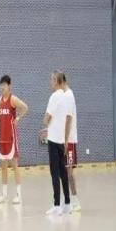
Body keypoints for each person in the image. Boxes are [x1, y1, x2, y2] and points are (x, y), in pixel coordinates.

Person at [0, 75, 28, 204]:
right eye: (1, 85)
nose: (2, 87)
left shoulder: (13, 99)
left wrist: (18, 118)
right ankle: (4, 195)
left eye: (4, 85)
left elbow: (25, 107)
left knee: (14, 166)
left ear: (9, 86)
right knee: (3, 166)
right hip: (1, 137)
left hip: (11, 137)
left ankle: (19, 195)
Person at [43, 71, 73, 216]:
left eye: (52, 79)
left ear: (57, 81)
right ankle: (67, 203)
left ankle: (56, 205)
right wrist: (66, 139)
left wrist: (46, 121)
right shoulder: (67, 96)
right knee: (63, 172)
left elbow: (46, 119)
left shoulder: (54, 96)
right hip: (61, 140)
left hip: (54, 140)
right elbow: (68, 119)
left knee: (54, 172)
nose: (50, 82)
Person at [63, 74, 81, 211]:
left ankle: (76, 201)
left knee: (69, 172)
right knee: (64, 171)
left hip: (69, 140)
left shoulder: (69, 95)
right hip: (64, 140)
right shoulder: (64, 95)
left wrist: (65, 140)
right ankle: (67, 201)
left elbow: (68, 120)